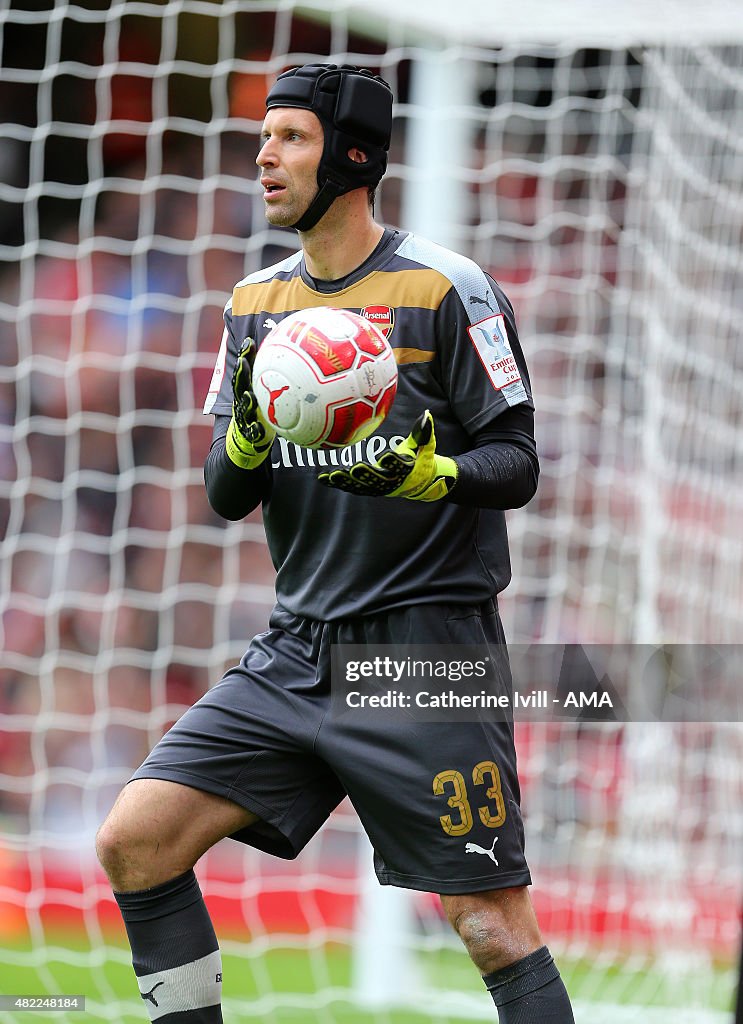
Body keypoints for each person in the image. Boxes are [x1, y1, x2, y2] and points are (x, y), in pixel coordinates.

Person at [96, 63, 575, 1023]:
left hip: (423, 648)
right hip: (296, 647)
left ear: (352, 157)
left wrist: (430, 474)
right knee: (136, 841)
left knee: (486, 922)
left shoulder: (448, 289)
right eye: (262, 138)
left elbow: (516, 462)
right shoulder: (252, 307)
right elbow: (228, 497)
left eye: (290, 138)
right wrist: (242, 435)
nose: (264, 157)